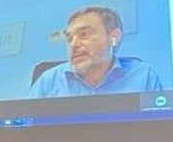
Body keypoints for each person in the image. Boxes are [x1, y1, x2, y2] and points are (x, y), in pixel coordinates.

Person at [31, 6, 163, 98]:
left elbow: (157, 130)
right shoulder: (48, 81)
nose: (73, 44)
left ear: (114, 37)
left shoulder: (144, 76)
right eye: (69, 39)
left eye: (84, 34)